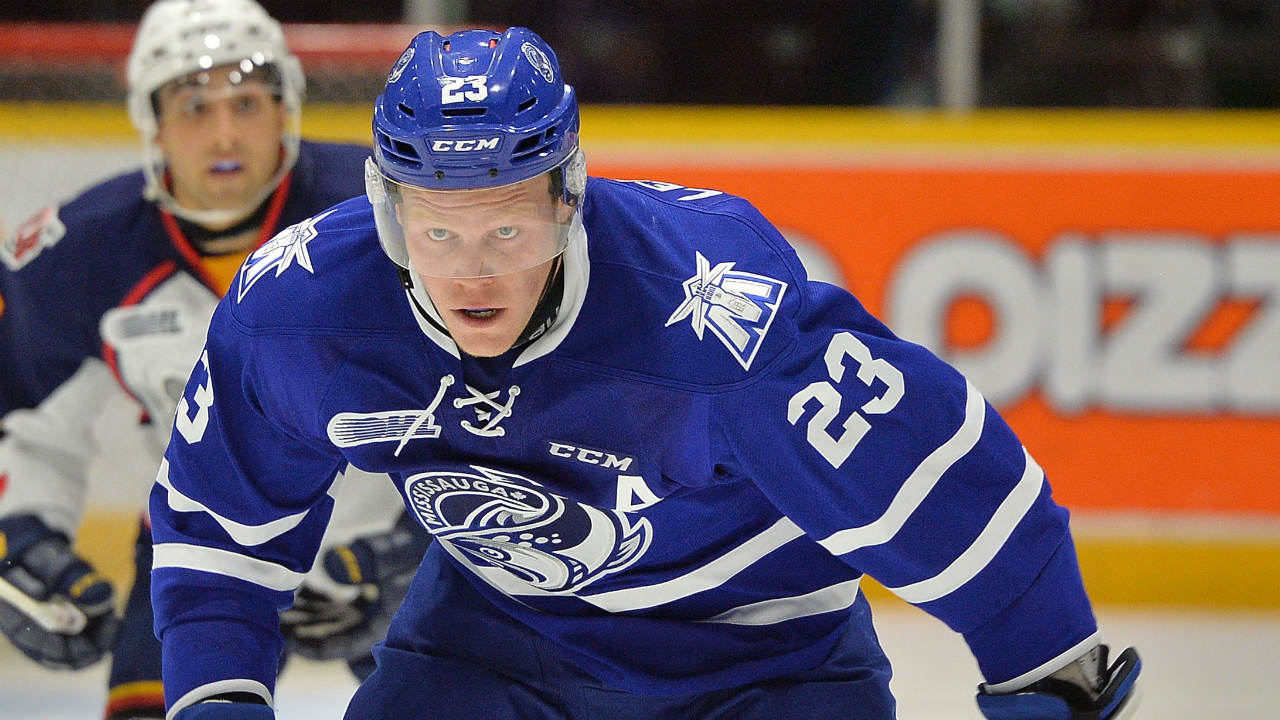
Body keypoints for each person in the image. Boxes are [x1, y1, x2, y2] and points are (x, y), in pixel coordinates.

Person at [148, 26, 1143, 720]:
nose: (475, 271)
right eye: (438, 230)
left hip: (765, 660)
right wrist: (216, 695)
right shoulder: (296, 313)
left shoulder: (710, 320)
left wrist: (1045, 664)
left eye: (508, 224)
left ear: (569, 195)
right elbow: (217, 524)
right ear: (384, 210)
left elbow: (926, 472)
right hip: (493, 642)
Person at [0, 2, 427, 718]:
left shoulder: (391, 217)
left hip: (376, 548)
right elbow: (32, 423)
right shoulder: (82, 256)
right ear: (152, 122)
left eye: (248, 103)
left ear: (286, 106)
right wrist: (21, 539)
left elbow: (486, 391)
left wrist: (420, 548)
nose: (225, 133)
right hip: (196, 547)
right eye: (195, 106)